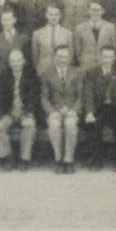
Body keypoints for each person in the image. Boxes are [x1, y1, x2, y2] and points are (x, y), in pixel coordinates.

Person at [82, 46, 116, 171]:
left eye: (110, 57)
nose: (107, 60)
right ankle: (96, 161)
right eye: (104, 56)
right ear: (99, 57)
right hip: (99, 107)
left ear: (114, 58)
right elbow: (88, 93)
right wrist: (89, 112)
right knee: (94, 126)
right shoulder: (92, 72)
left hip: (115, 107)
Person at [0, 49, 39, 171]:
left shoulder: (31, 74)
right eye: (12, 61)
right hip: (9, 112)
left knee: (29, 127)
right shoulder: (4, 74)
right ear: (9, 62)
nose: (15, 64)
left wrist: (30, 115)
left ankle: (24, 159)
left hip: (25, 111)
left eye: (18, 61)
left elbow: (34, 97)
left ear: (23, 61)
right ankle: (7, 157)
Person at [40, 46, 83, 174]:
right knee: (53, 126)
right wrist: (52, 112)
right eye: (59, 56)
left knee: (70, 125)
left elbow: (81, 95)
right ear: (54, 57)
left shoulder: (78, 72)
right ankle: (58, 159)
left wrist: (74, 110)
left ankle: (68, 160)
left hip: (71, 109)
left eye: (65, 56)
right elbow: (43, 96)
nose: (62, 59)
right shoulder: (46, 73)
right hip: (55, 110)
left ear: (70, 58)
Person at [75, 3, 116, 73]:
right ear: (88, 11)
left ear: (103, 11)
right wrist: (84, 60)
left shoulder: (110, 27)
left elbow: (113, 46)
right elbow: (78, 49)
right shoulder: (80, 28)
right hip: (86, 64)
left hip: (104, 63)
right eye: (93, 10)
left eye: (98, 10)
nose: (95, 13)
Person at [32, 3, 73, 74]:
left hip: (61, 70)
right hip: (43, 70)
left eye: (56, 14)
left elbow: (70, 55)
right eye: (51, 14)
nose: (54, 17)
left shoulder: (68, 33)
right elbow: (35, 56)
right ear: (46, 15)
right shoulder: (37, 34)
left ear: (60, 16)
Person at [0, 8, 30, 73]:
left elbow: (27, 61)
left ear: (14, 20)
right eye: (3, 20)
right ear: (0, 21)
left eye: (8, 19)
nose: (6, 23)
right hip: (2, 74)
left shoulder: (24, 38)